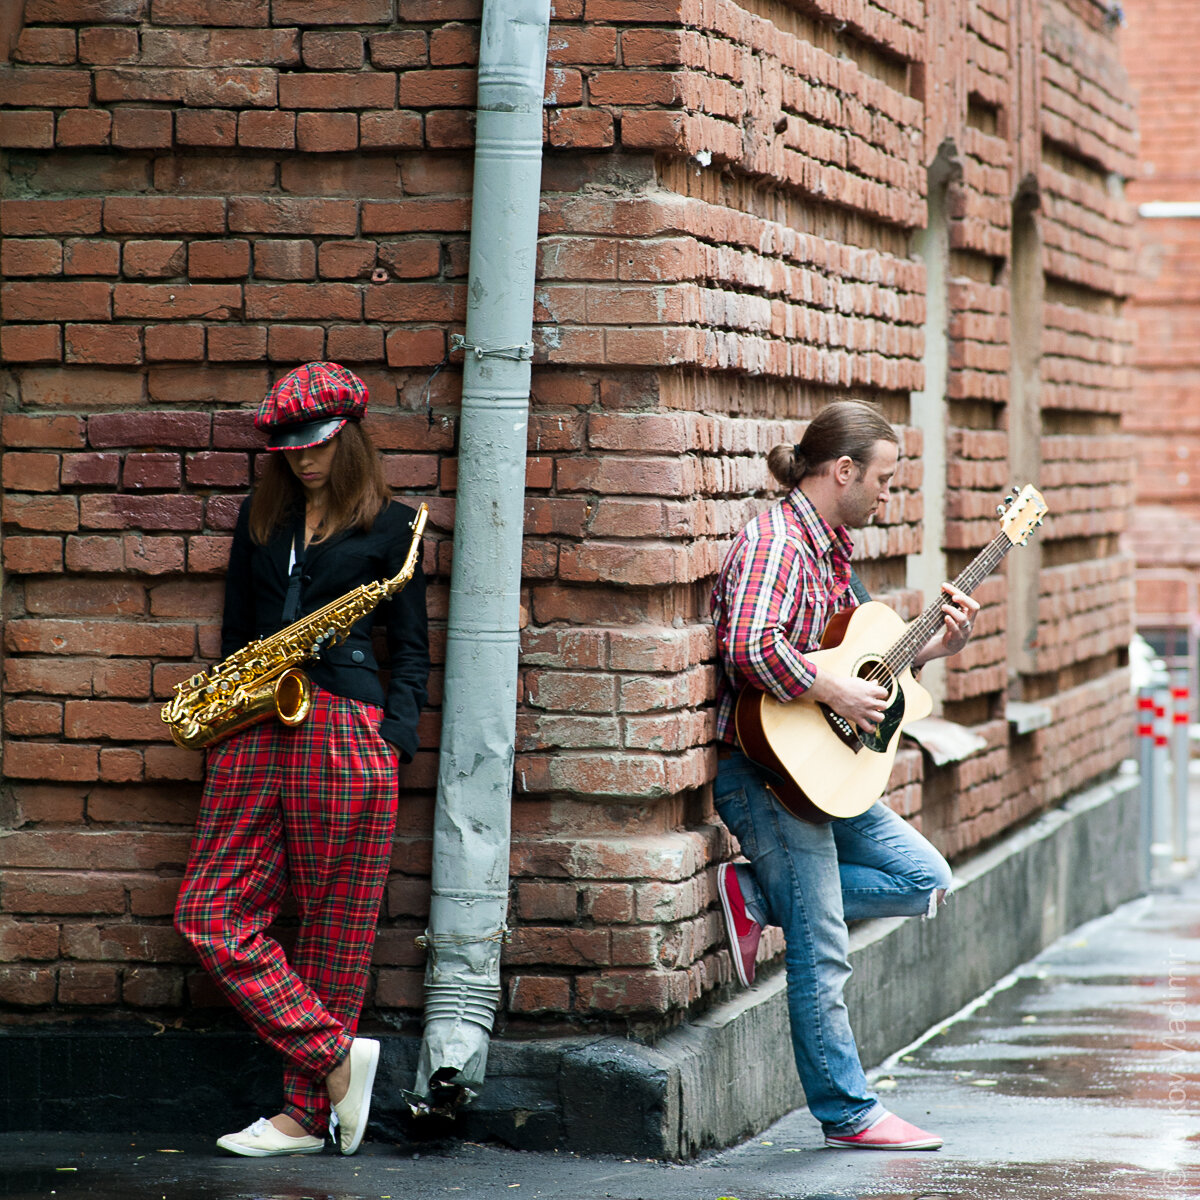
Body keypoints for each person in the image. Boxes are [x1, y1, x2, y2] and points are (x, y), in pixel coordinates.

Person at [174, 362, 430, 1158]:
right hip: (254, 721)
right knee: (209, 912)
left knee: (334, 931)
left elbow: (411, 653)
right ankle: (333, 1057)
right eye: (287, 447)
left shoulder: (394, 526)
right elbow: (234, 630)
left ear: (348, 439)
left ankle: (303, 1116)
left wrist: (393, 739)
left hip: (346, 728)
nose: (301, 460)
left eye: (315, 446)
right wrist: (223, 719)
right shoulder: (261, 513)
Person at [710, 399, 978, 1151]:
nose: (889, 494)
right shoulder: (777, 543)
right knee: (822, 945)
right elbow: (746, 647)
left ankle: (759, 895)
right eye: (885, 480)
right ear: (844, 470)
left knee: (924, 879)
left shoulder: (829, 549)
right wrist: (828, 690)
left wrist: (934, 649)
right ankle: (849, 1114)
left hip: (822, 771)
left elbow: (864, 658)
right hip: (766, 775)